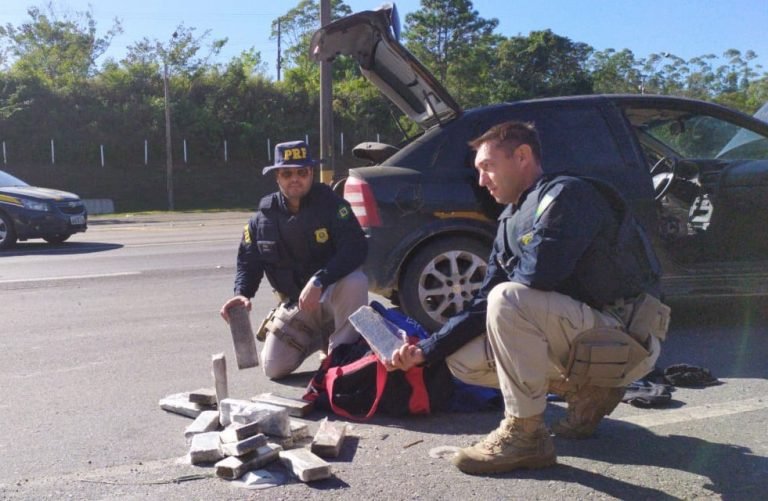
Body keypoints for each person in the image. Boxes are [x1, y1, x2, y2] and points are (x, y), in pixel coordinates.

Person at [387, 121, 668, 474]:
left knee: (507, 299)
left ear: (522, 156)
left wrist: (498, 301)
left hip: (623, 335)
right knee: (460, 357)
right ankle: (583, 391)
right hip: (580, 336)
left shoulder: (567, 195)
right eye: (478, 171)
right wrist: (426, 351)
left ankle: (525, 435)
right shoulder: (509, 221)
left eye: (488, 166)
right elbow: (482, 304)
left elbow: (537, 277)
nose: (481, 180)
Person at [220, 140, 368, 380]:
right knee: (274, 368)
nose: (295, 178)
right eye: (287, 173)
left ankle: (341, 357)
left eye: (302, 172)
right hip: (297, 306)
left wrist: (321, 279)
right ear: (277, 176)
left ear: (311, 173)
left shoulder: (333, 206)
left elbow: (356, 248)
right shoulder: (262, 219)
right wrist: (242, 293)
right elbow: (248, 262)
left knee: (356, 281)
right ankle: (322, 339)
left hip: (331, 297)